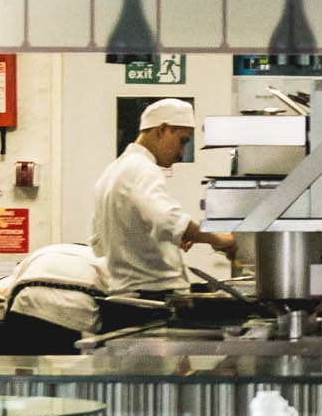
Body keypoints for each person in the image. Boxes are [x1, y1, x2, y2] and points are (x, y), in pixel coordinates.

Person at [90, 99, 237, 302]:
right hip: (151, 298)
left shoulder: (112, 172)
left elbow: (99, 243)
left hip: (125, 300)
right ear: (162, 129)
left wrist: (165, 243)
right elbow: (167, 219)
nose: (181, 153)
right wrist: (218, 239)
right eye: (182, 141)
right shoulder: (143, 168)